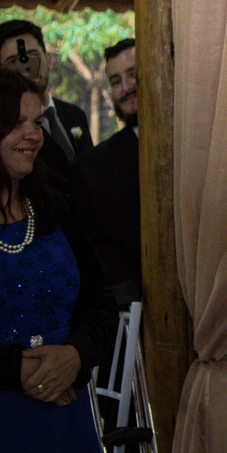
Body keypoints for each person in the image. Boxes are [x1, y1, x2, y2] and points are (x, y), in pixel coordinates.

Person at [0, 66, 117, 453]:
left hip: (64, 428)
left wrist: (75, 355)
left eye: (36, 122)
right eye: (17, 123)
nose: (33, 135)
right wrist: (18, 370)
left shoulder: (57, 209)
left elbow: (101, 303)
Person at [73, 38, 140, 307]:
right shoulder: (91, 170)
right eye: (115, 82)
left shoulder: (202, 146)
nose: (126, 89)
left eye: (133, 75)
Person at [0, 20, 93, 192]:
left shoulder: (74, 115)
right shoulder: (0, 127)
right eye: (13, 61)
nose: (26, 67)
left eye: (32, 56)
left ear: (49, 60)